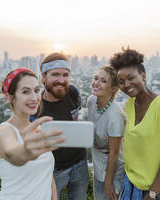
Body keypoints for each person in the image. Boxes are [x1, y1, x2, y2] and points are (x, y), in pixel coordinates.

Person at [0, 68, 65, 200]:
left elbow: (47, 175)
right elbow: (12, 153)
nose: (34, 98)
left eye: (37, 90)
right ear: (10, 97)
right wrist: (25, 152)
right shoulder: (3, 130)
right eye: (25, 91)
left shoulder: (38, 129)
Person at [36, 52, 89, 200]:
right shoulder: (36, 106)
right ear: (43, 76)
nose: (61, 80)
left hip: (79, 163)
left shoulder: (73, 92)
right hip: (53, 170)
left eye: (66, 75)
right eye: (55, 74)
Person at [110, 48, 160, 200]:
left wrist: (152, 193)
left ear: (143, 75)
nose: (126, 84)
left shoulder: (158, 106)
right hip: (130, 184)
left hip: (152, 190)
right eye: (121, 82)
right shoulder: (129, 105)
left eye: (131, 78)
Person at [84, 65, 125, 200]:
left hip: (113, 173)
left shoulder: (115, 117)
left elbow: (114, 153)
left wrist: (109, 183)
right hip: (98, 168)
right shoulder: (91, 101)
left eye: (103, 81)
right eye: (96, 78)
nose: (96, 83)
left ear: (113, 88)